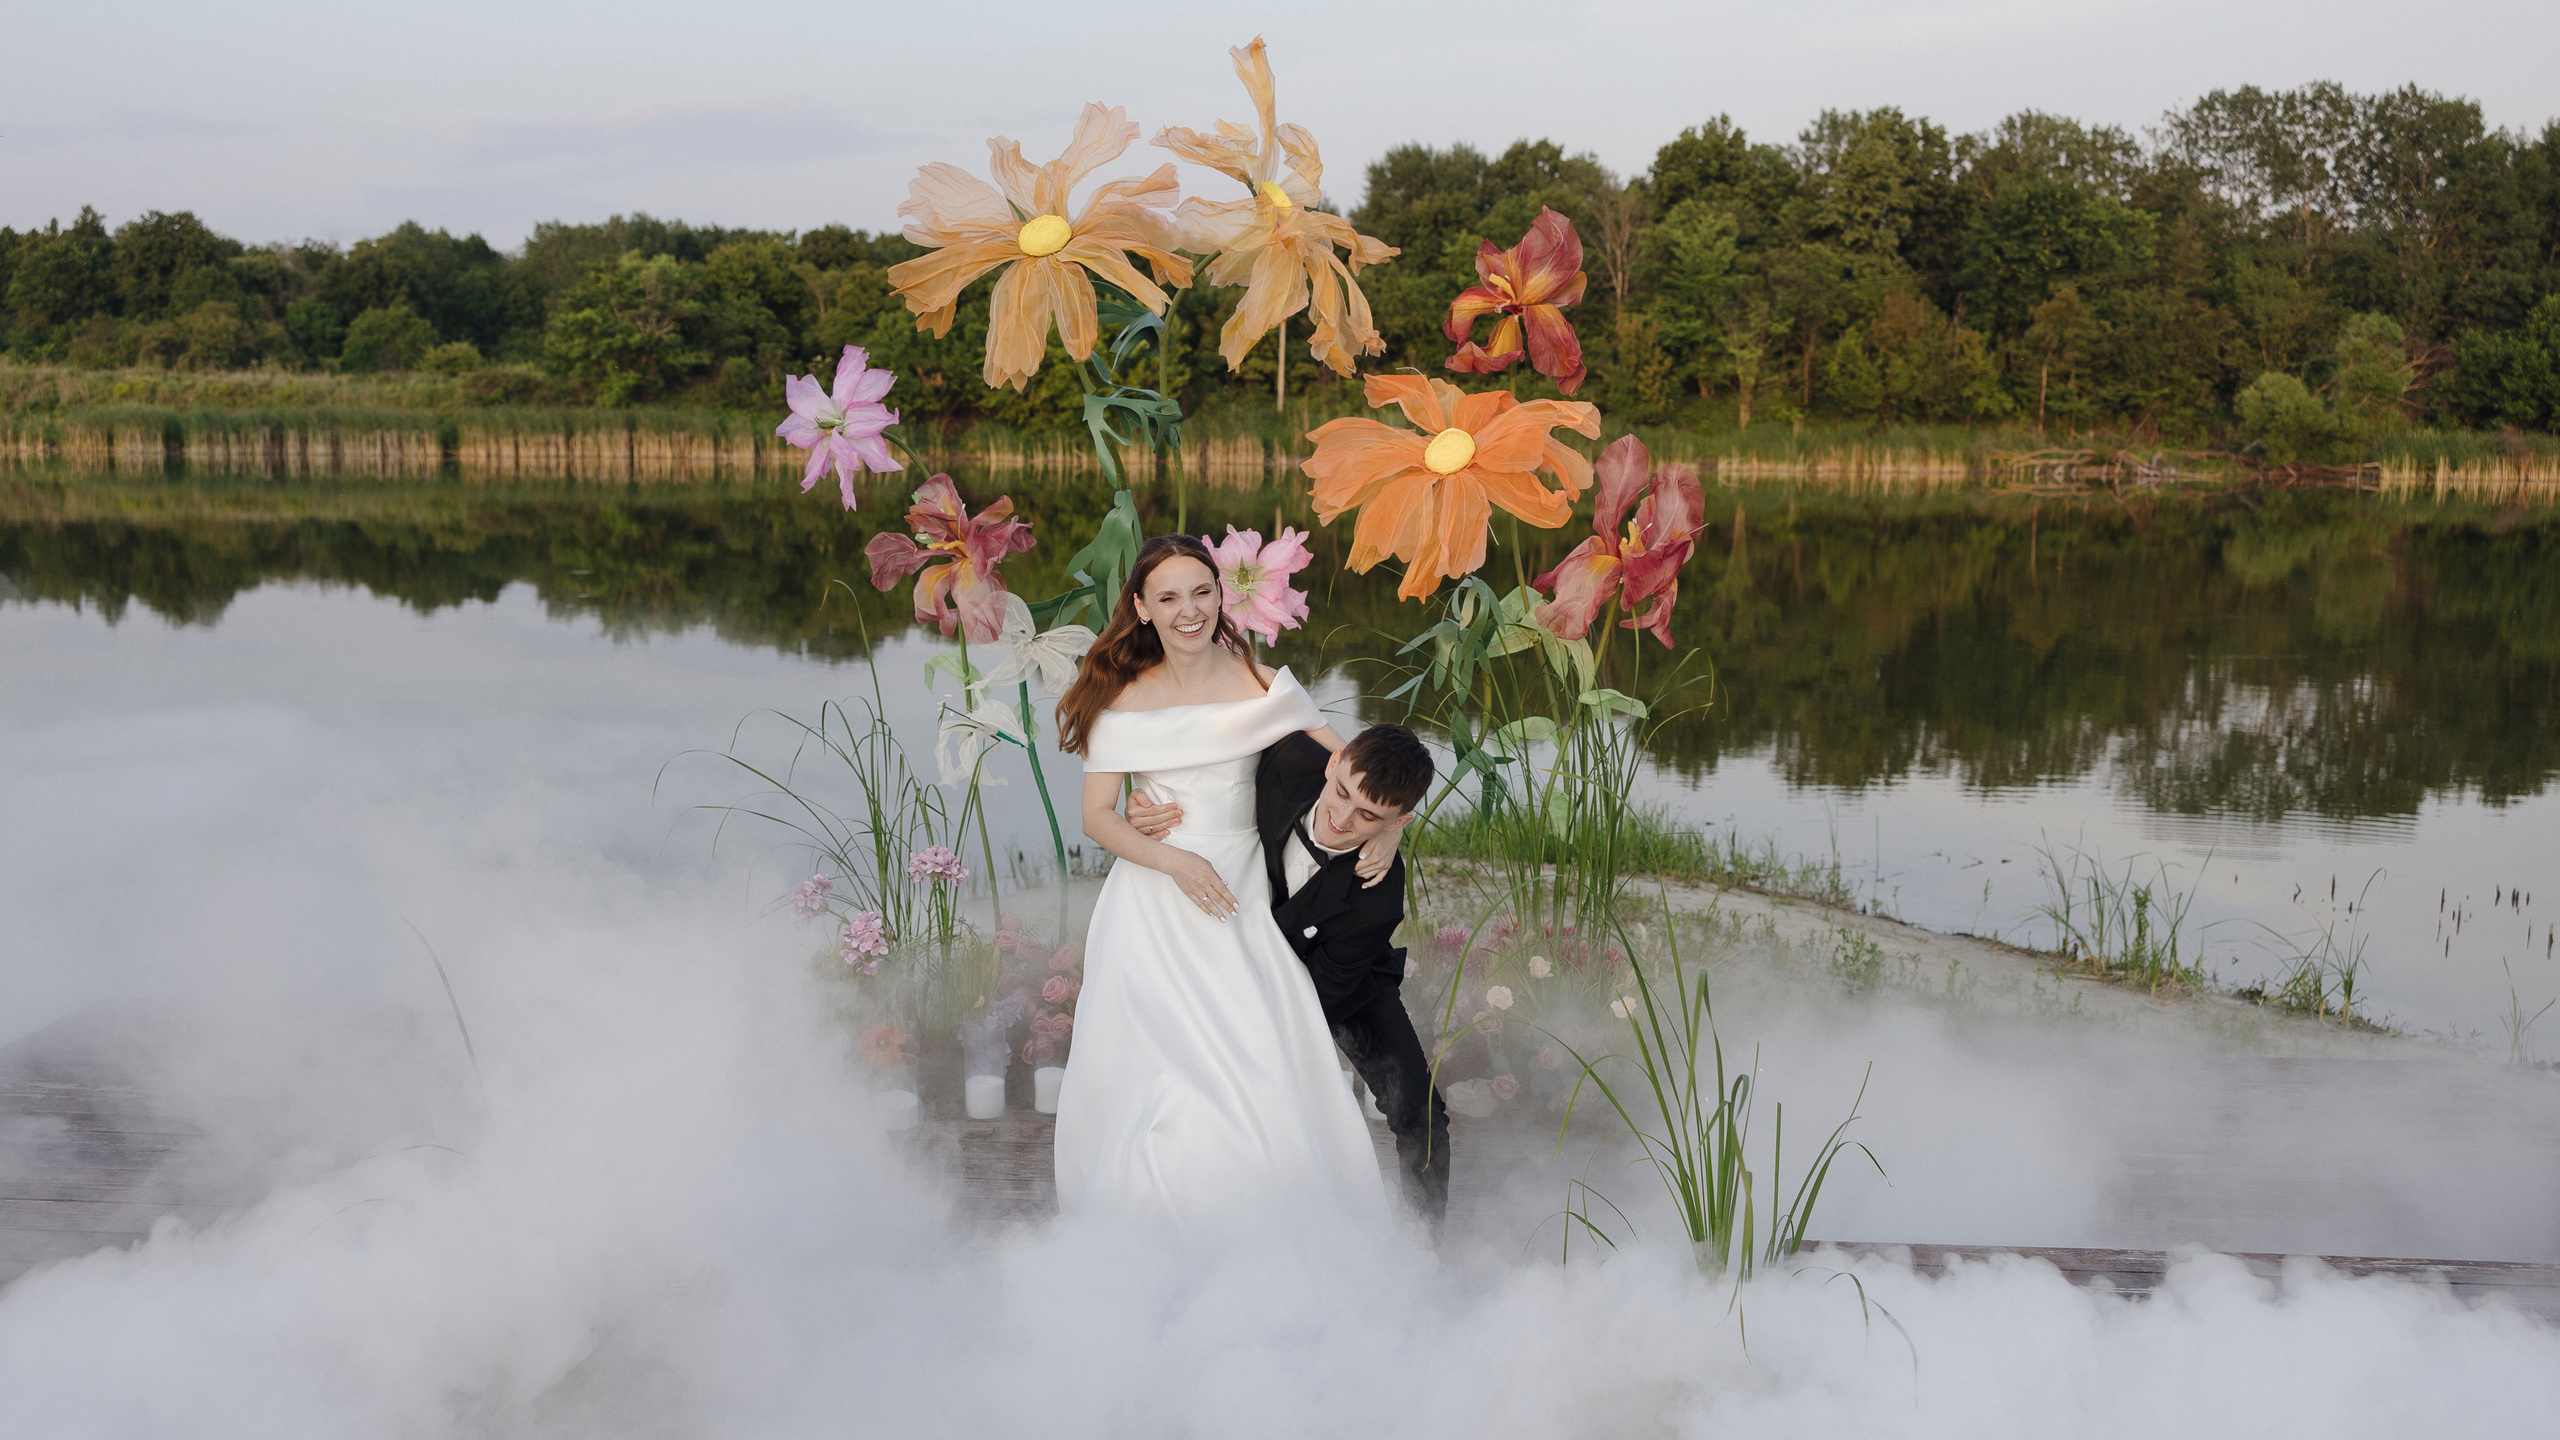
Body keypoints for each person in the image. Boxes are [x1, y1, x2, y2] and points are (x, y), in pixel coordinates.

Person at [1049, 535, 1400, 1231]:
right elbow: (1096, 820)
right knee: (1158, 1073)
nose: (1190, 610)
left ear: (1221, 596)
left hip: (1240, 892)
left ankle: (1267, 1223)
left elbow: (1355, 764)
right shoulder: (1120, 698)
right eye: (1169, 597)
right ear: (1142, 609)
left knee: (1256, 1054)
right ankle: (1148, 1226)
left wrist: (1389, 825)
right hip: (1154, 896)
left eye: (1202, 592)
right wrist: (1175, 860)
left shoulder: (1259, 679)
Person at [1131, 724, 1449, 1228]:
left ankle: (1423, 1243)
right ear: (1331, 763)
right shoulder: (1289, 759)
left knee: (1419, 1110)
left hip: (1339, 980)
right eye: (1342, 792)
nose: (1341, 818)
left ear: (1400, 819)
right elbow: (1201, 747)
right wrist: (1143, 801)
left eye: (1370, 816)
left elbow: (1310, 1005)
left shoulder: (1378, 901)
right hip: (1234, 946)